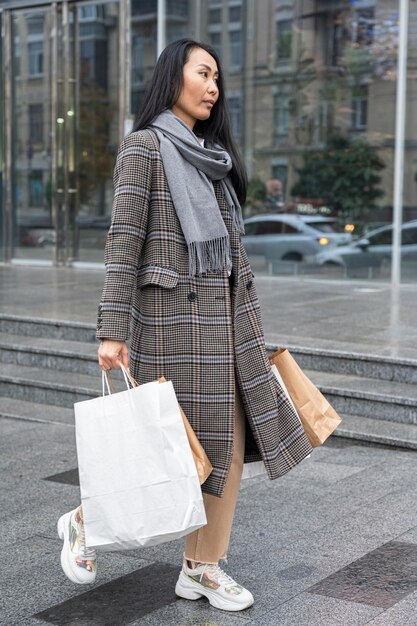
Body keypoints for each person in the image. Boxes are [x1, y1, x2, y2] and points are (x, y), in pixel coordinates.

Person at [57, 38, 312, 612]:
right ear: (174, 77)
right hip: (174, 327)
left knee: (227, 448)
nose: (214, 86)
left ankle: (202, 568)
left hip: (229, 326)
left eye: (218, 77)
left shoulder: (212, 157)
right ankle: (83, 518)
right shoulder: (144, 150)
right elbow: (124, 246)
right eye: (203, 73)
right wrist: (111, 328)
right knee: (173, 453)